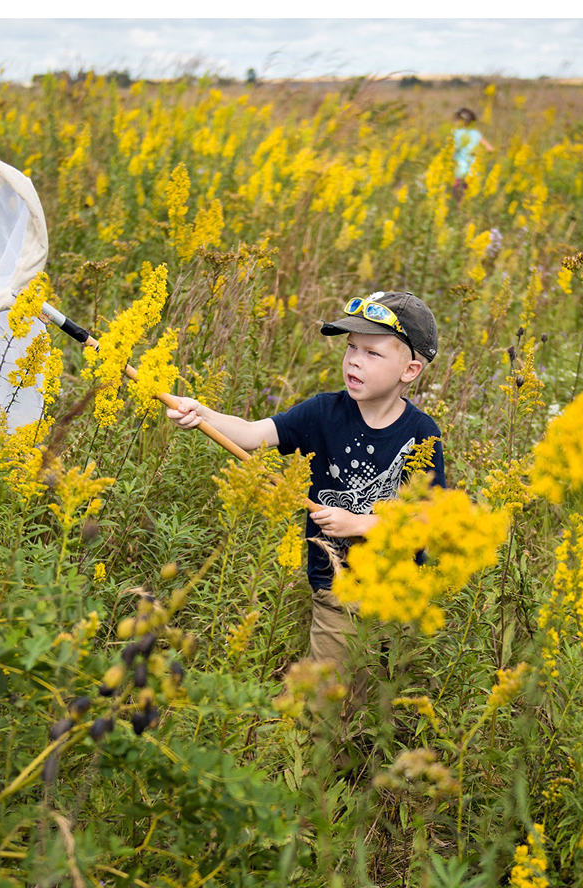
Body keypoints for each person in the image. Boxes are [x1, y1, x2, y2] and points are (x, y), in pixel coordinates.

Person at [167, 290, 446, 717]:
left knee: (380, 706)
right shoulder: (323, 413)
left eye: (371, 352)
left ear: (410, 369)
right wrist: (201, 412)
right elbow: (250, 434)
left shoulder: (422, 434)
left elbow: (427, 521)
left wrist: (360, 524)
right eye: (351, 347)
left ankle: (362, 770)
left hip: (399, 595)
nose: (353, 359)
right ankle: (313, 760)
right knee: (325, 701)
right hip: (337, 590)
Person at [452, 107, 493, 201]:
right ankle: (468, 215)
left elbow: (452, 149)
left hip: (460, 172)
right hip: (474, 172)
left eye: (455, 120)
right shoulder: (475, 133)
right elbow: (490, 148)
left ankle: (459, 213)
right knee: (470, 199)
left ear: (462, 121)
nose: (454, 122)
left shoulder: (457, 133)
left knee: (458, 197)